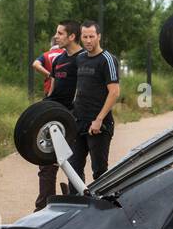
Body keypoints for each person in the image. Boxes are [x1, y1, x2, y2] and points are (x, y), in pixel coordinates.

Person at [35, 19, 84, 211]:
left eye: (60, 33)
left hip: (72, 119)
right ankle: (43, 208)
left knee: (72, 164)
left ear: (72, 36)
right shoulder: (59, 59)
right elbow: (53, 90)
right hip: (55, 117)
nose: (56, 36)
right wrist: (44, 109)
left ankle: (77, 206)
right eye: (56, 33)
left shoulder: (83, 59)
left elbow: (84, 91)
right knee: (46, 164)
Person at [69, 20, 121, 185]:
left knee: (99, 172)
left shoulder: (107, 59)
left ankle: (101, 207)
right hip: (78, 122)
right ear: (81, 37)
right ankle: (77, 205)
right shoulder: (80, 58)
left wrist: (98, 120)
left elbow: (114, 92)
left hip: (99, 125)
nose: (88, 40)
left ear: (99, 37)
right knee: (74, 169)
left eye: (92, 36)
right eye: (85, 36)